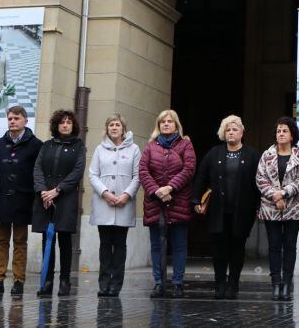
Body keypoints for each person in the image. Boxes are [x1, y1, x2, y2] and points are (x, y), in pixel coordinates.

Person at [192, 115, 261, 300]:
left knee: (237, 249)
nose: (231, 132)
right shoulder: (214, 153)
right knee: (218, 250)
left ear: (242, 132)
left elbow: (260, 183)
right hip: (217, 211)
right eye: (228, 130)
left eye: (235, 129)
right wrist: (196, 200)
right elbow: (201, 177)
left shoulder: (253, 154)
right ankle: (219, 284)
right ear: (223, 133)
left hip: (242, 211)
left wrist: (259, 205)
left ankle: (233, 285)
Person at [0, 105, 42, 296]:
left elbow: (36, 173)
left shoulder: (36, 145)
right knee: (1, 241)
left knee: (20, 241)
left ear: (26, 120)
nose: (12, 121)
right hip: (1, 199)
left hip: (22, 199)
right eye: (9, 118)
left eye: (16, 118)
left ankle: (18, 281)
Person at [139, 109, 196, 299]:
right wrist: (157, 190)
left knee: (179, 245)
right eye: (163, 121)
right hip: (155, 203)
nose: (166, 124)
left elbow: (189, 169)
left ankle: (178, 283)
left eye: (170, 121)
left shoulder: (185, 145)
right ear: (158, 125)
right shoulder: (150, 147)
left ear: (176, 125)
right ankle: (159, 283)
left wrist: (170, 188)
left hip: (178, 201)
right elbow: (143, 171)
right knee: (156, 246)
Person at [32, 109, 86, 297]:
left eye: (69, 122)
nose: (65, 125)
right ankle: (46, 282)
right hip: (45, 199)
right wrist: (43, 192)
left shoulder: (79, 146)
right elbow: (37, 168)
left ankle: (64, 281)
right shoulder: (46, 145)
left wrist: (57, 190)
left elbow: (77, 172)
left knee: (64, 241)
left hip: (65, 198)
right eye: (62, 122)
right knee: (48, 240)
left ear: (73, 126)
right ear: (56, 125)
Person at [256, 116, 299, 301]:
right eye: (278, 131)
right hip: (271, 207)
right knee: (273, 246)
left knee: (289, 246)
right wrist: (274, 195)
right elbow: (260, 178)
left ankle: (287, 283)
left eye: (284, 130)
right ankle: (275, 284)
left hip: (294, 207)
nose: (281, 133)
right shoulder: (267, 155)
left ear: (292, 134)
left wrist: (284, 193)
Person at [88, 114, 141, 298]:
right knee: (105, 245)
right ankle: (103, 284)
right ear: (107, 128)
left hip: (124, 204)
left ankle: (115, 285)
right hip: (104, 204)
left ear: (123, 129)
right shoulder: (99, 149)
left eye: (117, 124)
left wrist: (127, 195)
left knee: (119, 246)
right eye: (111, 125)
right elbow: (93, 174)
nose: (114, 128)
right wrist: (105, 193)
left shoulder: (134, 149)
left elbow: (137, 175)